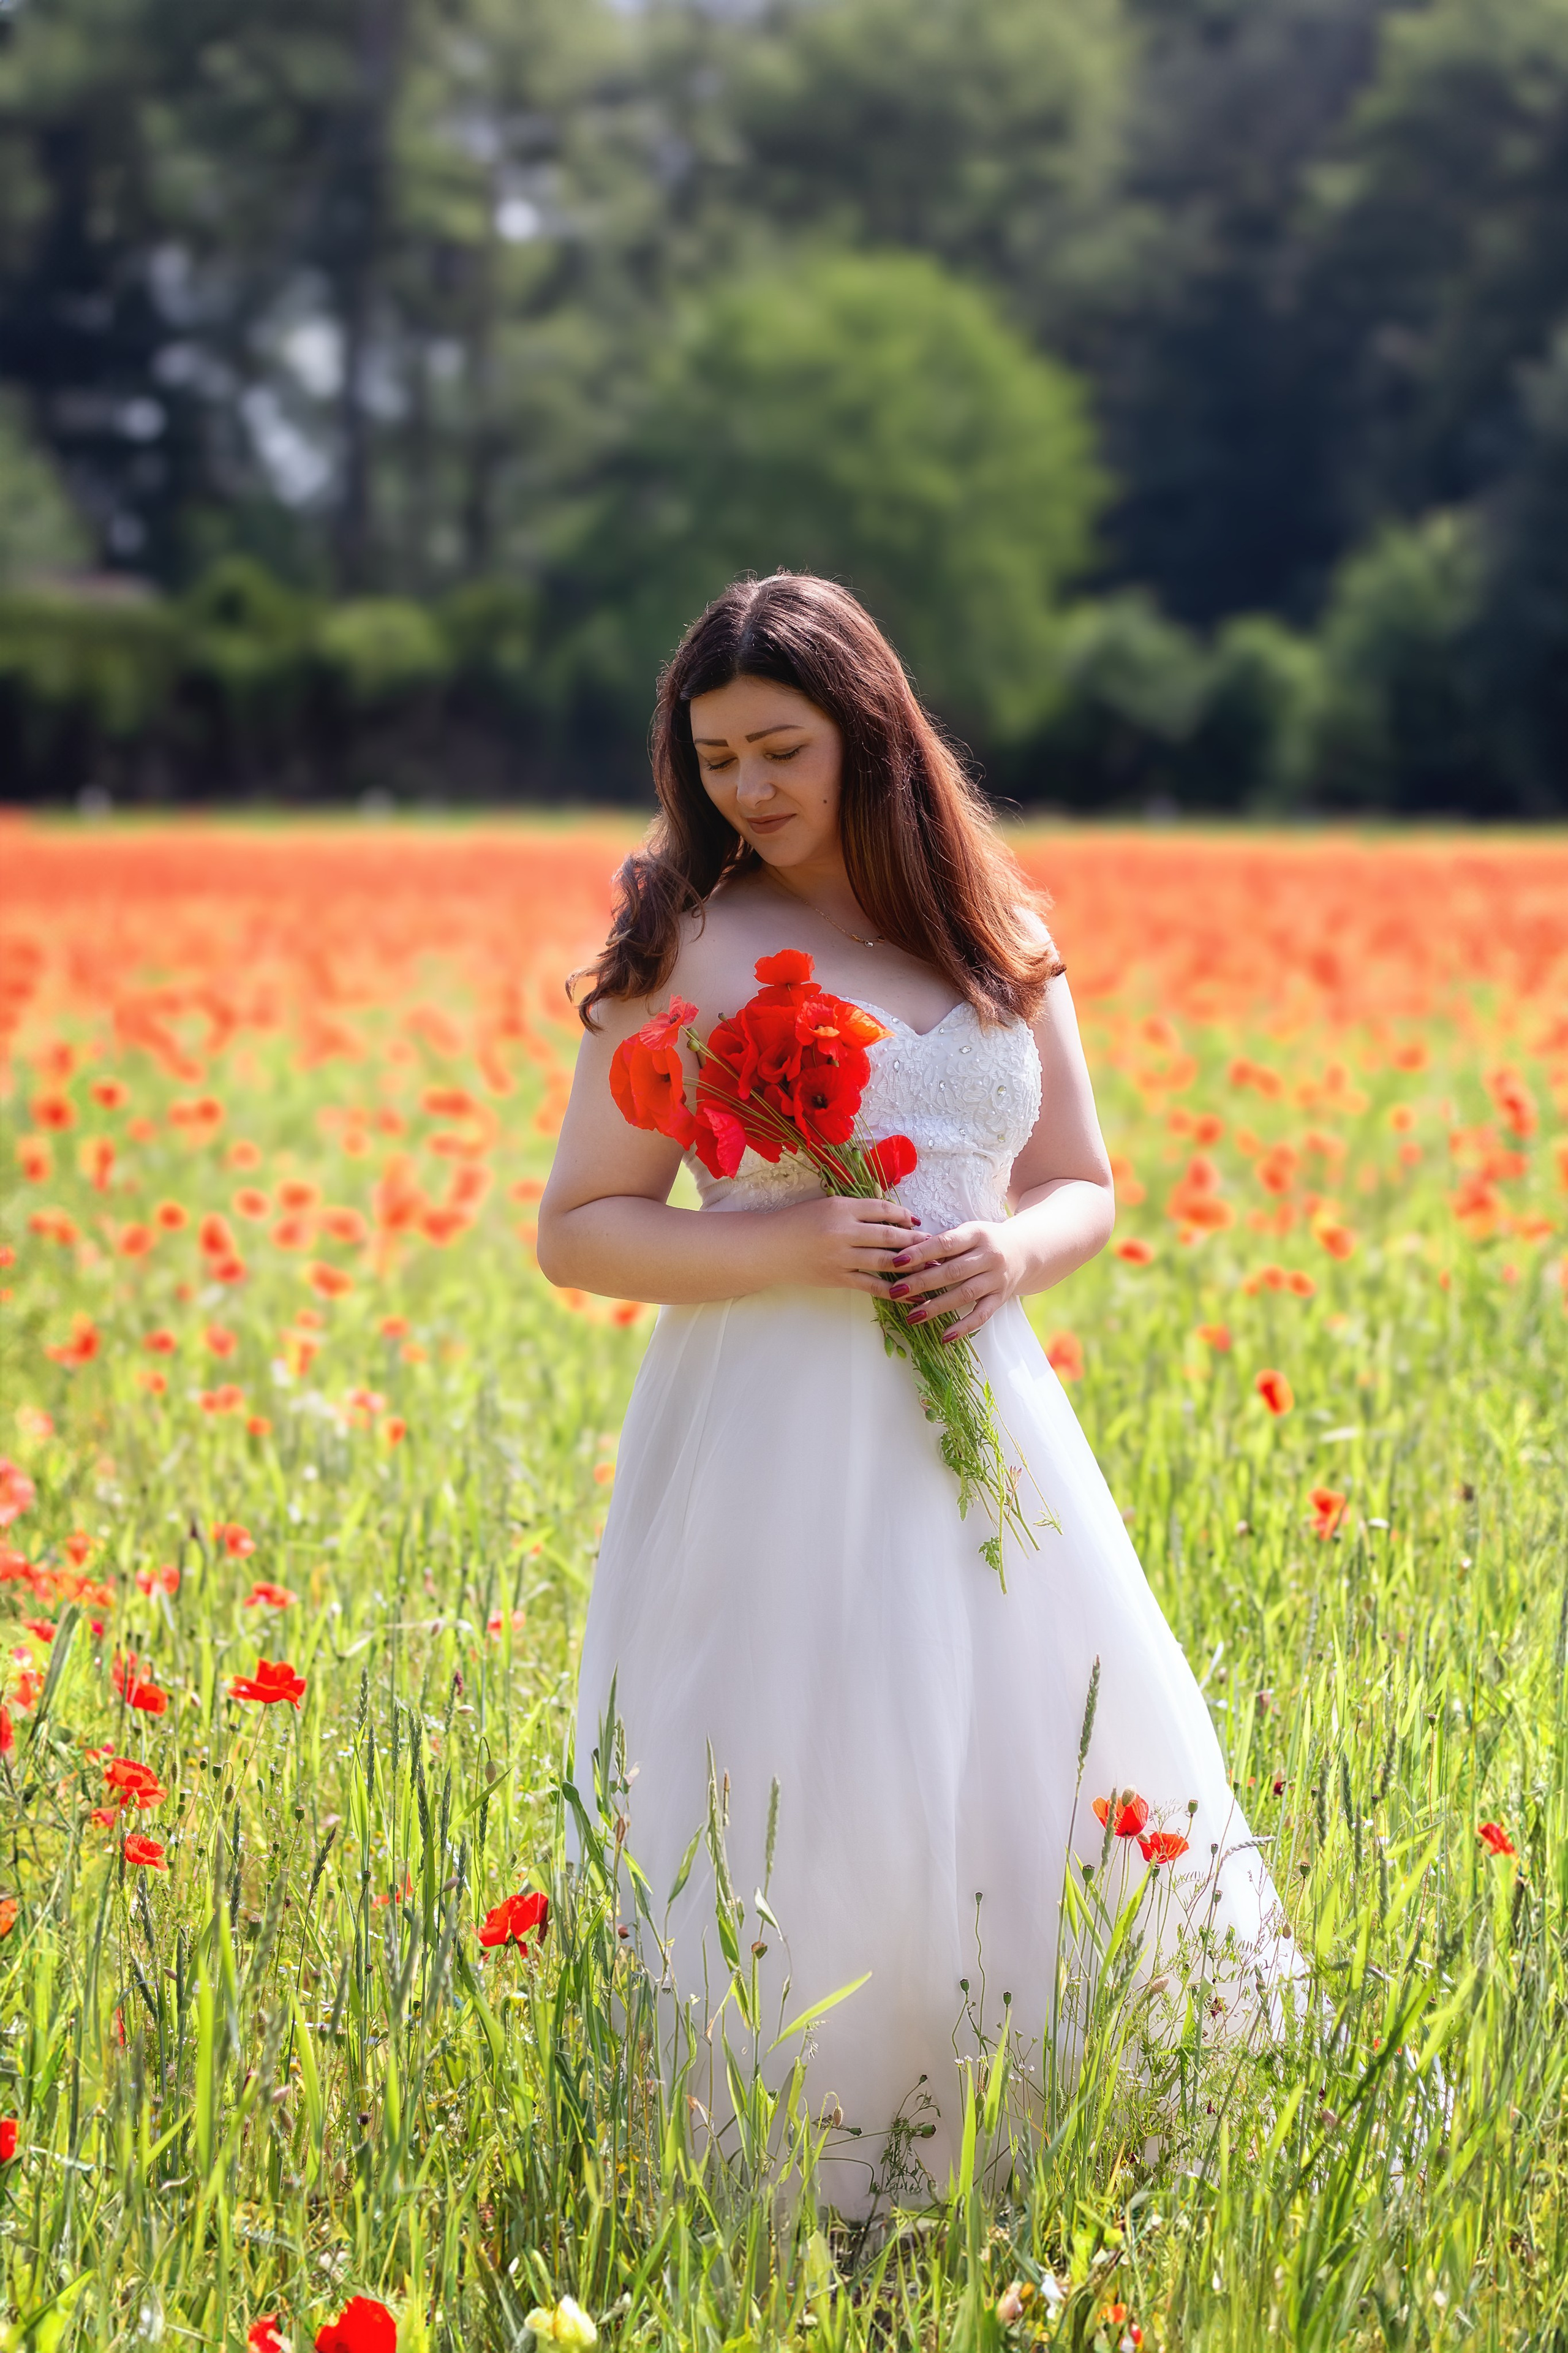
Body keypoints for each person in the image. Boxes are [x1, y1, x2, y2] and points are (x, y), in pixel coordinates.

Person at [539, 573, 1290, 2214]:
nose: (747, 786)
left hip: (986, 1404)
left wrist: (1007, 1259)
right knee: (811, 1762)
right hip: (773, 1420)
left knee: (1021, 1745)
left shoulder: (994, 926)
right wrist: (796, 1236)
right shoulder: (689, 934)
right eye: (716, 753)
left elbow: (1084, 1180)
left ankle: (1040, 2143)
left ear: (869, 730)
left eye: (780, 748)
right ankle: (815, 2162)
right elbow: (578, 1230)